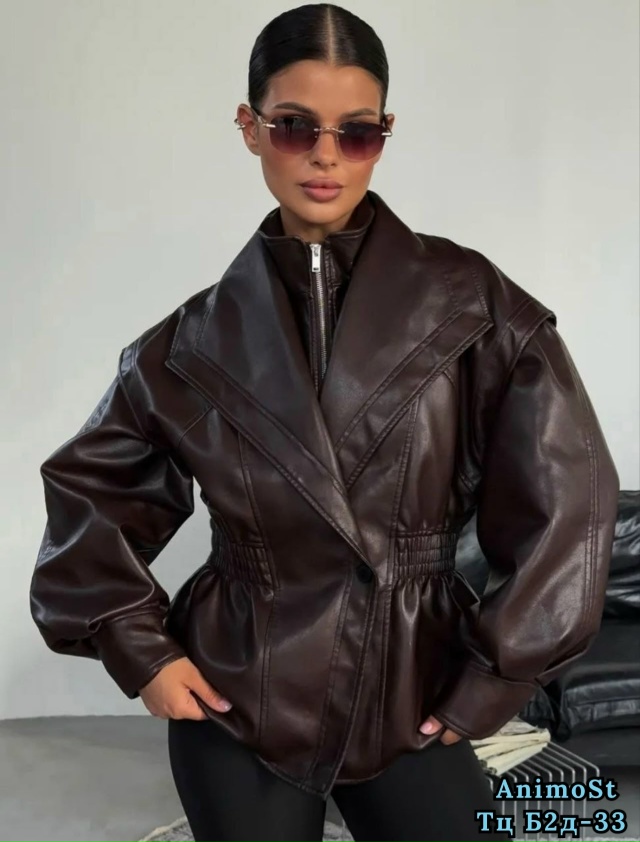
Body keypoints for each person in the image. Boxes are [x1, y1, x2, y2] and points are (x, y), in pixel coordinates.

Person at [29, 4, 620, 841]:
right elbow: (92, 500)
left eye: (358, 132)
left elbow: (569, 502)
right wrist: (144, 653)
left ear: (385, 134)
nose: (326, 156)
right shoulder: (187, 345)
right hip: (242, 690)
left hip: (418, 683)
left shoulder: (476, 308)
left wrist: (497, 675)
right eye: (294, 126)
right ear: (249, 127)